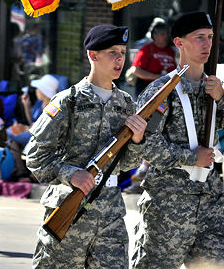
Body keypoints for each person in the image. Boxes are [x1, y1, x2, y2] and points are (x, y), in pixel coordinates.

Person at [131, 11, 224, 269]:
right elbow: (144, 145)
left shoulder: (216, 88)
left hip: (209, 204)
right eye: (199, 37)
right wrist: (191, 157)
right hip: (168, 204)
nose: (207, 44)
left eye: (210, 37)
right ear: (179, 43)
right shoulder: (161, 91)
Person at [26, 24, 148, 269]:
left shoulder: (125, 103)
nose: (120, 59)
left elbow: (126, 164)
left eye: (123, 52)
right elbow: (35, 155)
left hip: (110, 212)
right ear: (93, 55)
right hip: (70, 209)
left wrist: (137, 141)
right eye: (112, 52)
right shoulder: (68, 101)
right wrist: (71, 174)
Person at [131, 20, 176, 96]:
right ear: (155, 36)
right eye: (162, 34)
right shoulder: (146, 50)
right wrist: (158, 77)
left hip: (165, 90)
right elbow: (135, 70)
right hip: (147, 90)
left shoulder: (171, 51)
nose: (166, 36)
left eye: (167, 34)